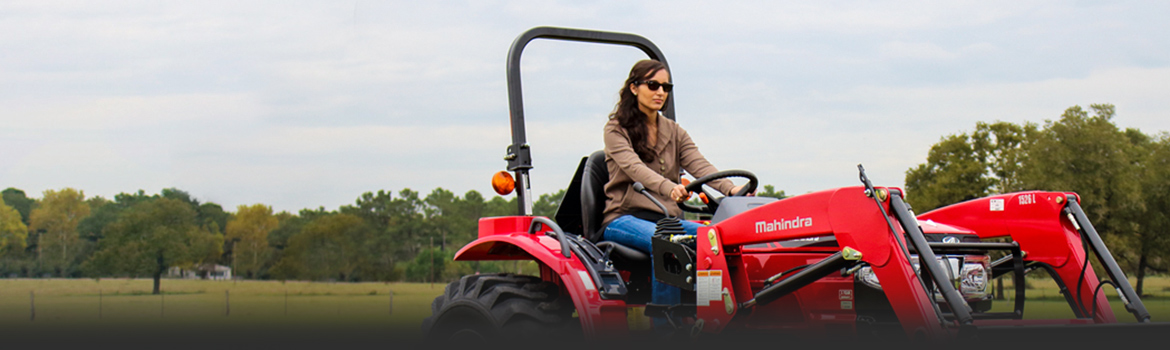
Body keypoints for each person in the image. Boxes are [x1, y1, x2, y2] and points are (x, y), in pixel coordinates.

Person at [600, 59, 751, 331]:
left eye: (666, 86)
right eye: (653, 85)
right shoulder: (615, 129)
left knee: (716, 237)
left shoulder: (674, 131)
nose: (660, 92)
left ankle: (719, 319)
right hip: (625, 218)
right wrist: (668, 187)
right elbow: (634, 168)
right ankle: (666, 331)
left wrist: (732, 190)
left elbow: (699, 164)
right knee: (667, 243)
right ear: (634, 88)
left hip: (666, 218)